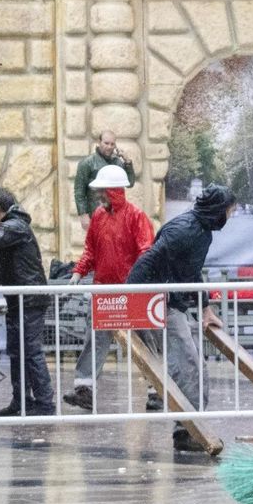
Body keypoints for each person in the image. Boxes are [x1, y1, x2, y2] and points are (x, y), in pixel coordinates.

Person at [125, 185, 235, 450]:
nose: (230, 216)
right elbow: (147, 261)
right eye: (229, 211)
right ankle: (187, 431)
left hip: (170, 302)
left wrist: (206, 308)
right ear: (217, 210)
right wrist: (129, 300)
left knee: (192, 366)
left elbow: (191, 271)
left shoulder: (200, 231)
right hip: (162, 304)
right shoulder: (185, 231)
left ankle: (190, 425)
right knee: (186, 366)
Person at [63, 164, 155, 412]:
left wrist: (137, 282)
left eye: (102, 190)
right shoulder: (99, 217)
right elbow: (91, 251)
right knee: (96, 338)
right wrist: (78, 271)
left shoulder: (136, 217)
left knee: (145, 340)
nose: (99, 195)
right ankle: (84, 388)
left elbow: (146, 252)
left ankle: (156, 388)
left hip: (131, 291)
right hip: (105, 290)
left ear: (113, 190)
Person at [0, 189, 55, 416]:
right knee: (17, 352)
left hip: (29, 301)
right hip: (19, 300)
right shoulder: (12, 226)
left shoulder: (16, 225)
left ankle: (45, 403)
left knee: (30, 351)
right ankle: (21, 401)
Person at [73, 131, 137, 218]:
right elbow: (79, 191)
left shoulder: (118, 162)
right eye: (106, 143)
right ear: (99, 142)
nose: (109, 147)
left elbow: (130, 183)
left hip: (117, 215)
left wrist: (127, 162)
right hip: (95, 214)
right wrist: (83, 215)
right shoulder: (87, 163)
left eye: (112, 144)